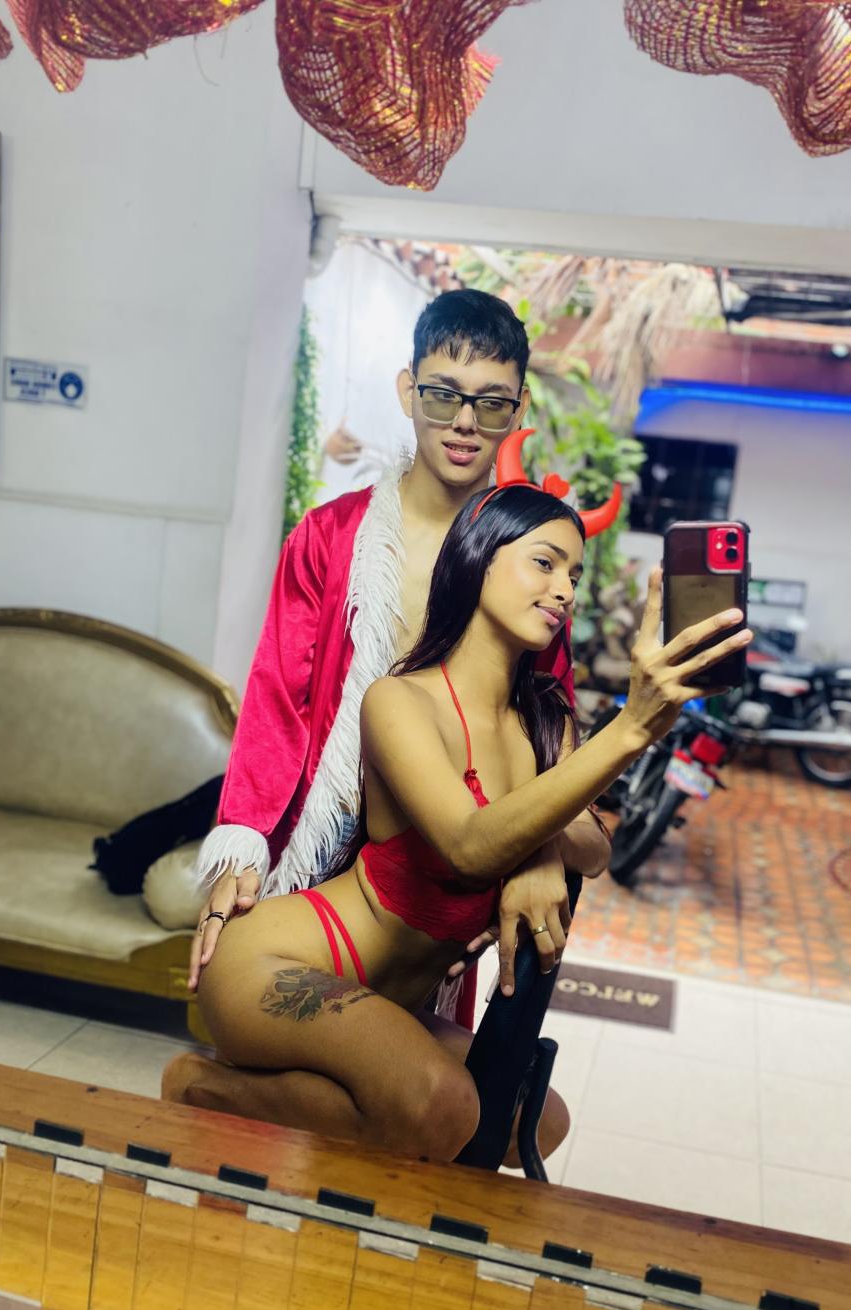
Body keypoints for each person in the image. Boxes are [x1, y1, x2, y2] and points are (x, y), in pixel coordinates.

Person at [163, 483, 751, 1165]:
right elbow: (469, 846)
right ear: (478, 558)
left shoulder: (545, 717)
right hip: (276, 963)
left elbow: (594, 848)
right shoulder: (399, 700)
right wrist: (631, 729)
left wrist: (536, 853)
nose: (565, 590)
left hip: (389, 1003)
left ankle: (322, 1123)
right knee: (441, 1107)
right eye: (545, 562)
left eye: (575, 574)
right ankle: (204, 1085)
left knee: (531, 1121)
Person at [193, 290, 576, 1028]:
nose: (464, 422)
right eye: (443, 394)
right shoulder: (329, 537)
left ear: (519, 409)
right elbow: (277, 698)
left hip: (441, 855)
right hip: (318, 835)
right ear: (408, 391)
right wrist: (242, 844)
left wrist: (538, 853)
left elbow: (544, 729)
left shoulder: (532, 565)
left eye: (492, 403)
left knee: (401, 1055)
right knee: (277, 1030)